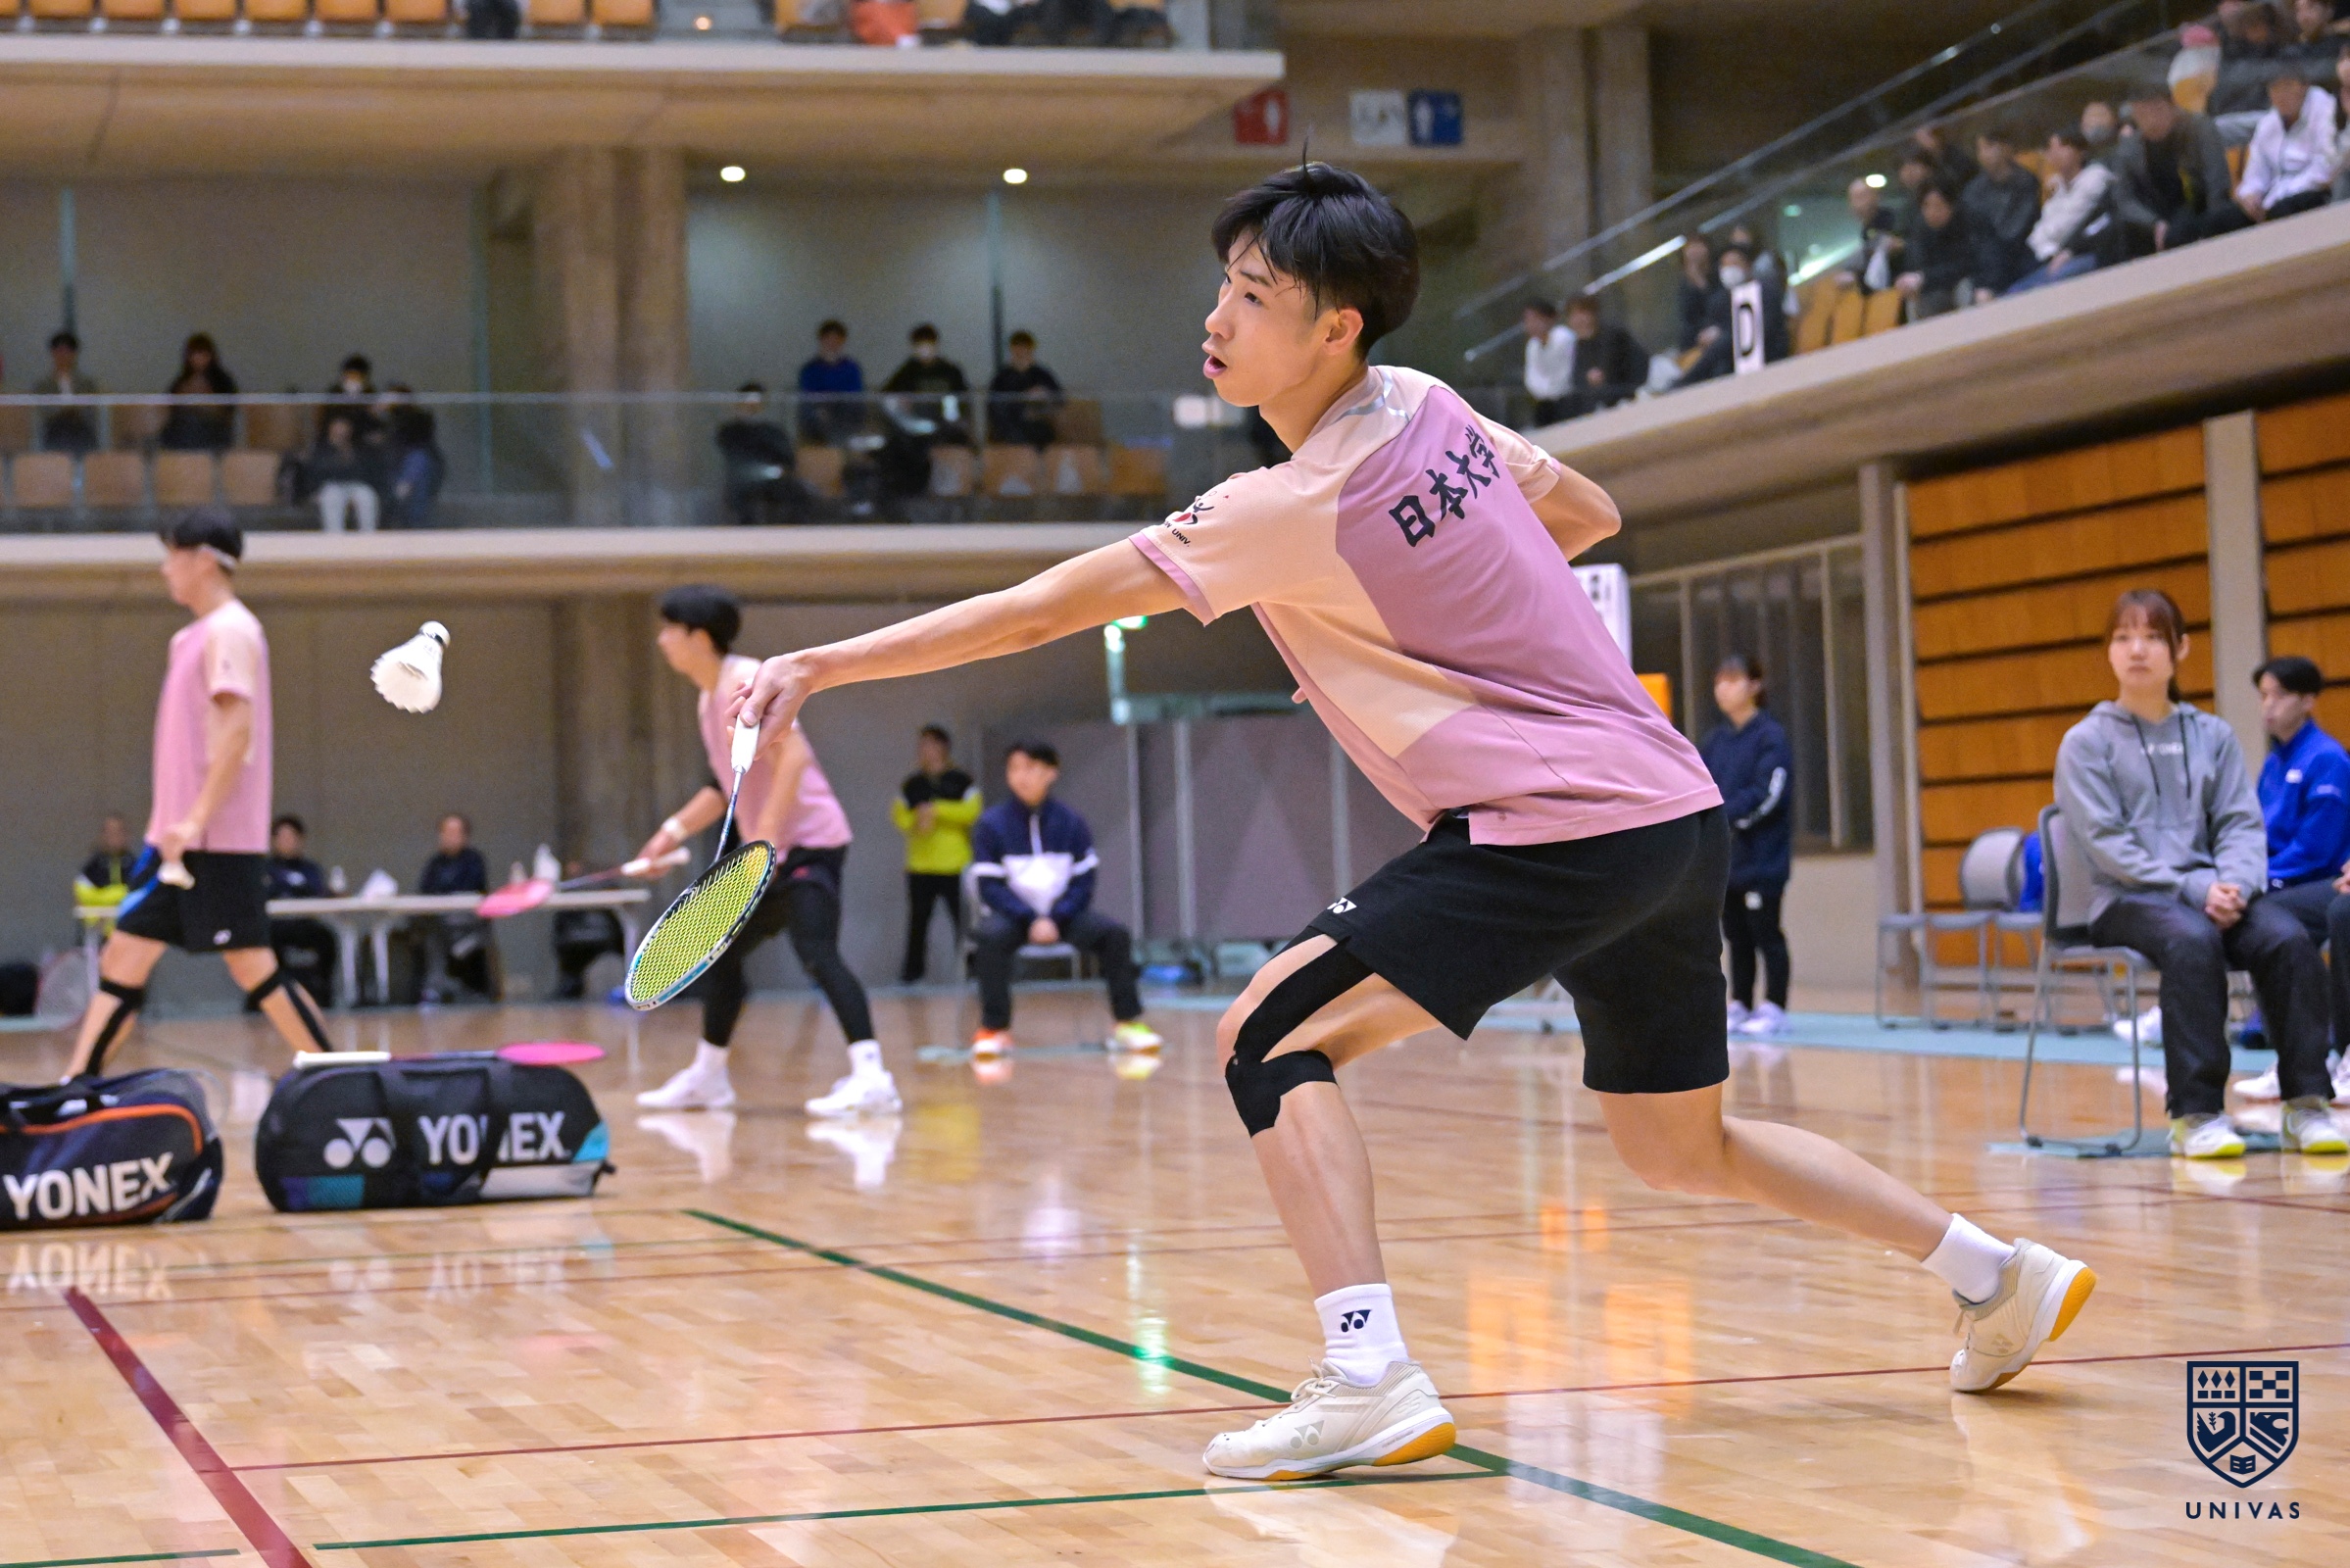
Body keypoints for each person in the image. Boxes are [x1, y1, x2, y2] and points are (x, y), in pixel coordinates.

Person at [728, 162, 2099, 1483]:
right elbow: (1586, 512)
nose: (1215, 317)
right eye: (1222, 285)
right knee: (1680, 1143)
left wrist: (823, 665)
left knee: (1267, 1034)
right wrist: (1436, 604)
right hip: (1671, 816)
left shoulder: (1285, 502)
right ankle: (1996, 1274)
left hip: (1553, 825)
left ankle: (1365, 1373)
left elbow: (1043, 611)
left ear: (1335, 327)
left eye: (1253, 297)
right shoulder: (1431, 405)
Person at [2052, 589, 2346, 1158]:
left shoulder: (2212, 735)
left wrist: (2236, 885)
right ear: (2108, 652)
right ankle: (2197, 1114)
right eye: (2123, 638)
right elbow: (2107, 844)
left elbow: (2240, 823)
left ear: (2180, 648)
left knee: (2287, 938)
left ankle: (2306, 1104)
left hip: (2215, 893)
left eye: (2152, 637)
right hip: (2128, 899)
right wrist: (2196, 888)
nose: (2137, 650)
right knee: (2191, 941)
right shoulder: (2085, 742)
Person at [63, 509, 335, 1080]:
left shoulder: (230, 630)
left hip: (211, 839)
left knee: (251, 964)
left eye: (173, 557)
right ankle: (75, 1089)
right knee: (125, 956)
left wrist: (194, 819)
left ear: (204, 560)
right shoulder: (189, 637)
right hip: (175, 841)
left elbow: (236, 733)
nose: (165, 570)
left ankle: (343, 1077)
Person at [632, 585, 900, 1120]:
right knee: (717, 953)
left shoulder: (746, 680)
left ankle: (873, 1077)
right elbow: (723, 785)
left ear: (699, 637)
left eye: (670, 629)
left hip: (809, 845)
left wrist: (769, 841)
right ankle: (709, 1078)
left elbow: (793, 759)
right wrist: (670, 832)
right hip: (769, 854)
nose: (661, 640)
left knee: (816, 950)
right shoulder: (708, 698)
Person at [965, 740, 1160, 1061]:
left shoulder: (1071, 822)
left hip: (1064, 916)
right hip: (1013, 916)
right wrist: (1031, 918)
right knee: (989, 938)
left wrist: (1055, 917)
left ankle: (1127, 1023)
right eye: (1014, 769)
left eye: (1030, 768)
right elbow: (990, 886)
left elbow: (1083, 882)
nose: (1021, 776)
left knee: (1114, 934)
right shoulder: (990, 825)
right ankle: (994, 1028)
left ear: (1051, 772)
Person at [1701, 655, 1794, 1038]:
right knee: (1735, 935)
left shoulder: (1771, 737)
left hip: (1763, 857)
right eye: (1719, 681)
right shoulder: (1715, 742)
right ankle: (1740, 1002)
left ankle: (1775, 1006)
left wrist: (1728, 816)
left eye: (1733, 679)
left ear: (1754, 685)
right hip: (1729, 861)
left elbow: (1769, 793)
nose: (1724, 688)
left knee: (1765, 932)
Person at [894, 724, 982, 984]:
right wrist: (916, 818)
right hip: (920, 865)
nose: (925, 750)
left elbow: (972, 811)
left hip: (955, 863)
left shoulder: (962, 780)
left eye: (931, 744)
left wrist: (938, 810)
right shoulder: (912, 784)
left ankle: (973, 972)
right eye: (922, 745)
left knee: (963, 921)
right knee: (918, 922)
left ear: (943, 747)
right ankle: (912, 976)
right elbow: (899, 816)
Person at [2207, 66, 2340, 234]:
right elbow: (2256, 172)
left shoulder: (2326, 109)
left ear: (2304, 86)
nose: (2281, 95)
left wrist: (2280, 196)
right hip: (2275, 199)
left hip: (2316, 191)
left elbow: (2326, 169)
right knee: (2221, 220)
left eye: (2287, 86)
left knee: (2280, 213)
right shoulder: (2268, 122)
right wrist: (2251, 195)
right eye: (2275, 88)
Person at [2114, 89, 2236, 253]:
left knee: (2193, 226)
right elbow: (2124, 199)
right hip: (2158, 216)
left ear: (2172, 106)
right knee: (2116, 233)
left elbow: (2217, 179)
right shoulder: (2130, 149)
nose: (2151, 119)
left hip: (2198, 205)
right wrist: (2153, 223)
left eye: (2156, 110)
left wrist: (2212, 225)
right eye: (2142, 114)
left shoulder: (2199, 127)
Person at [2005, 129, 2117, 294]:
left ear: (2080, 151)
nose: (2056, 153)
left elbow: (2068, 225)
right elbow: (2039, 232)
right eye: (2052, 148)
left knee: (2046, 288)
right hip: (2049, 258)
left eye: (2063, 146)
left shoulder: (2095, 178)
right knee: (2014, 292)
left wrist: (2059, 248)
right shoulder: (2057, 189)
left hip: (2085, 251)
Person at [416, 812, 491, 1004]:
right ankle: (434, 988)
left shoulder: (474, 860)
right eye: (445, 832)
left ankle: (471, 990)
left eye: (454, 832)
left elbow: (475, 889)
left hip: (468, 923)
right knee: (424, 931)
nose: (449, 837)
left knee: (442, 932)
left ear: (464, 836)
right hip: (439, 922)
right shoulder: (435, 863)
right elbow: (426, 890)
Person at [265, 813, 337, 1009]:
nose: (286, 842)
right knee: (268, 946)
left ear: (300, 840)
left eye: (291, 837)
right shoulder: (267, 868)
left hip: (304, 925)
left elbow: (318, 891)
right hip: (276, 927)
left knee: (326, 940)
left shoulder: (310, 869)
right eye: (282, 837)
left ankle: (322, 992)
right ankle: (276, 997)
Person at [1686, 242, 1786, 383]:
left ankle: (1686, 381)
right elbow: (1710, 326)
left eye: (1734, 264)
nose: (1729, 270)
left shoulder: (1766, 291)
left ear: (1748, 267)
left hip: (1767, 355)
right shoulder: (1719, 301)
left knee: (1724, 342)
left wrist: (1724, 337)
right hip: (1729, 363)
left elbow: (1766, 329)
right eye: (1725, 266)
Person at [1961, 131, 2043, 299]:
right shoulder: (1972, 191)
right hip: (1985, 266)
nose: (1984, 154)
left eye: (1989, 147)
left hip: (2019, 258)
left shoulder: (2025, 182)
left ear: (2006, 148)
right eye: (1980, 149)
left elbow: (2013, 233)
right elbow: (1972, 238)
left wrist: (1990, 282)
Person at [714, 382, 801, 525]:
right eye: (748, 403)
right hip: (743, 481)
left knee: (795, 493)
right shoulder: (729, 432)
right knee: (743, 499)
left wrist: (779, 470)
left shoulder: (774, 432)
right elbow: (734, 456)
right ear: (739, 404)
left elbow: (788, 459)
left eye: (756, 404)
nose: (752, 408)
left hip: (773, 480)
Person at [1894, 184, 1974, 318]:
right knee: (1913, 300)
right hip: (1933, 289)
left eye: (1938, 206)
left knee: (1965, 288)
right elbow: (1916, 266)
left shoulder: (1965, 225)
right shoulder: (1920, 231)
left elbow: (1964, 265)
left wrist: (1924, 278)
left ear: (1951, 206)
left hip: (1957, 283)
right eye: (1927, 206)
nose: (1932, 212)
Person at [551, 861, 624, 1001]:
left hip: (601, 936)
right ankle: (571, 986)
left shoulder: (599, 884)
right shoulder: (567, 890)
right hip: (574, 939)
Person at [1559, 298, 1644, 416]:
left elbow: (1630, 365)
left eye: (1582, 313)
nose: (1578, 319)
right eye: (1573, 315)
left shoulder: (1613, 335)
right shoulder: (1580, 345)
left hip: (1628, 394)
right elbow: (1577, 380)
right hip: (1602, 403)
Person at [160, 333, 238, 453]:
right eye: (194, 354)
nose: (198, 359)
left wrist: (206, 400)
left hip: (213, 431)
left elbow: (228, 412)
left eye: (203, 354)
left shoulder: (222, 380)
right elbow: (170, 408)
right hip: (182, 431)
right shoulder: (182, 380)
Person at [987, 330, 1064, 449]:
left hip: (1038, 426)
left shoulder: (1042, 375)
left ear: (1031, 350)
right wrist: (1023, 406)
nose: (1021, 353)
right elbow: (993, 406)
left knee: (1043, 434)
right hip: (1009, 428)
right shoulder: (1001, 377)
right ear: (1012, 350)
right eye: (1018, 350)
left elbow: (1059, 399)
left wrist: (1043, 395)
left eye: (1025, 350)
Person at [797, 319, 865, 446]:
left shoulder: (852, 368)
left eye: (836, 340)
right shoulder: (810, 369)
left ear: (842, 341)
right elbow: (808, 397)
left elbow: (855, 397)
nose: (832, 344)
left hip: (845, 420)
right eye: (828, 339)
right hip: (817, 424)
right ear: (821, 340)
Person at [308, 414, 379, 534]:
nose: (341, 430)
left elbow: (366, 471)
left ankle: (368, 537)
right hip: (331, 486)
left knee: (367, 496)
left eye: (344, 426)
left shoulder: (358, 446)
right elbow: (315, 472)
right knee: (332, 497)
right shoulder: (321, 447)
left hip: (355, 485)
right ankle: (335, 538)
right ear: (330, 428)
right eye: (338, 426)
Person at [383, 391, 444, 529]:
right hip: (386, 466)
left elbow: (420, 436)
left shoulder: (418, 417)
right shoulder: (380, 418)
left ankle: (404, 489)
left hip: (415, 468)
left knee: (419, 461)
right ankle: (401, 492)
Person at [33, 330, 99, 455]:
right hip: (55, 431)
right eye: (59, 351)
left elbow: (90, 410)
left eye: (67, 352)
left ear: (74, 354)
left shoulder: (87, 384)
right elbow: (44, 412)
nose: (63, 356)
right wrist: (65, 410)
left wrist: (73, 410)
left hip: (81, 430)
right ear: (53, 353)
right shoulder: (43, 385)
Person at [1519, 299, 1577, 426]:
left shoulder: (1564, 337)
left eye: (1535, 319)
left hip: (1568, 398)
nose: (1531, 325)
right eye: (1527, 320)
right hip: (1545, 402)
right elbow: (1532, 377)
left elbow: (1567, 371)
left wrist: (1553, 391)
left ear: (1548, 318)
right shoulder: (1532, 345)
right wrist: (1545, 393)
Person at [75, 813, 136, 914]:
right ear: (103, 835)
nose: (114, 837)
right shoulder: (91, 868)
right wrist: (118, 894)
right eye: (110, 832)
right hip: (98, 922)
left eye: (119, 832)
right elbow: (84, 897)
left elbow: (139, 896)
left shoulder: (136, 866)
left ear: (127, 835)